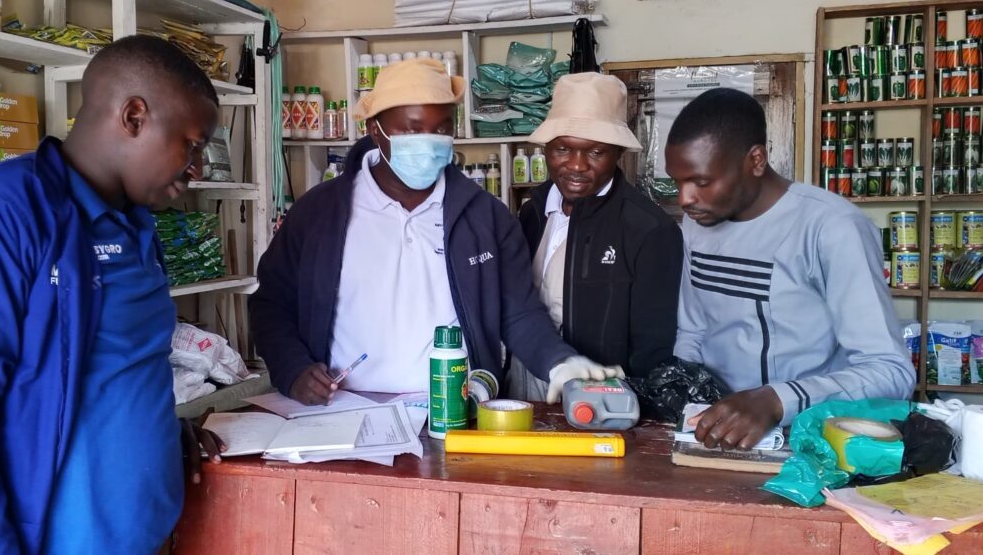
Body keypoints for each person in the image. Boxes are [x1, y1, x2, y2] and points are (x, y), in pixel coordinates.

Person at [0, 35, 226, 554]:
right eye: (191, 144)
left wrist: (163, 435)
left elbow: (116, 371)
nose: (197, 168)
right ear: (134, 117)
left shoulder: (135, 227)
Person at [250, 58, 622, 407]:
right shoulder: (319, 213)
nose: (429, 140)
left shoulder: (485, 217)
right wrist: (292, 368)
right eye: (412, 129)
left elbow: (518, 312)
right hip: (343, 408)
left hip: (453, 408)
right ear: (375, 130)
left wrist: (558, 362)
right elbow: (271, 303)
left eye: (442, 128)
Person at [665, 88, 914, 450]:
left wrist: (777, 400)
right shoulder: (698, 220)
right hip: (712, 436)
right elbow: (694, 329)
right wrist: (680, 389)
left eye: (702, 182)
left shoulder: (831, 228)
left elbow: (891, 372)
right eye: (677, 182)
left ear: (756, 160)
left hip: (809, 445)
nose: (685, 199)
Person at [511, 73, 682, 400]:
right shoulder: (533, 212)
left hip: (601, 398)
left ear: (618, 153)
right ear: (546, 148)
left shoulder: (648, 229)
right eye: (563, 148)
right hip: (526, 382)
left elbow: (653, 349)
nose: (576, 165)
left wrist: (626, 407)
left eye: (596, 152)